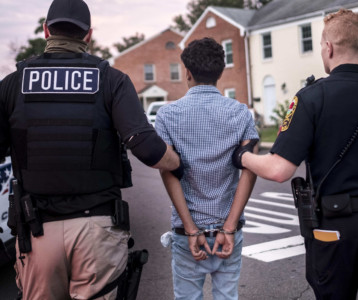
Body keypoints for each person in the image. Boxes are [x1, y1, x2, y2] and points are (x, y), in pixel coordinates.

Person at [0, 0, 182, 299]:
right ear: (88, 35)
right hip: (97, 228)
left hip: (37, 229)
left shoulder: (12, 84)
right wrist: (177, 162)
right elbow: (148, 149)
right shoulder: (111, 80)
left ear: (46, 30)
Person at [233, 8, 358, 300]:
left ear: (328, 47)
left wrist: (242, 157)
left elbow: (278, 170)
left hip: (333, 230)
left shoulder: (311, 98)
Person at [156, 37, 259, 300]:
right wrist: (229, 228)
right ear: (220, 72)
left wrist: (191, 230)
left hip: (187, 232)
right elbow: (250, 169)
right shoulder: (241, 113)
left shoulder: (167, 116)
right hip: (228, 230)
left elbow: (168, 172)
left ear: (187, 72)